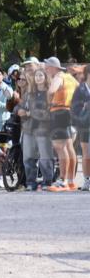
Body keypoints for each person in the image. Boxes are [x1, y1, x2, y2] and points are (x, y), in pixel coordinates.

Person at [43, 57, 78, 192]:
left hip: (58, 112)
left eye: (47, 67)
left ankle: (62, 180)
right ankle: (70, 181)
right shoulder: (69, 77)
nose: (46, 69)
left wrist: (48, 104)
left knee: (60, 147)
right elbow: (80, 89)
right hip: (67, 112)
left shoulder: (58, 77)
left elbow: (51, 91)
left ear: (53, 67)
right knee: (69, 147)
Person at [71, 65, 90, 191]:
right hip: (85, 125)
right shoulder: (80, 89)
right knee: (87, 153)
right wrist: (84, 107)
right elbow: (74, 108)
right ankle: (87, 180)